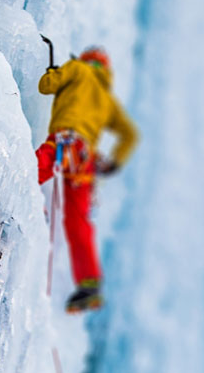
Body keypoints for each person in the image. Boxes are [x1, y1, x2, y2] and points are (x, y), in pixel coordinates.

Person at [37, 46, 139, 313]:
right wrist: (114, 162)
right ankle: (90, 284)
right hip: (85, 162)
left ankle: (9, 205)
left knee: (29, 172)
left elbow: (46, 86)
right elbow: (129, 134)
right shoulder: (107, 100)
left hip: (64, 143)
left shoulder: (77, 69)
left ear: (87, 61)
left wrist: (53, 72)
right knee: (78, 221)